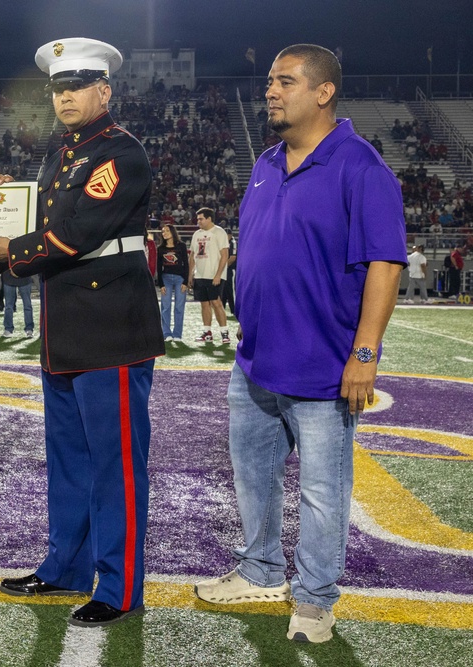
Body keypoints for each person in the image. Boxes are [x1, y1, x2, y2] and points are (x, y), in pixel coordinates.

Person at [193, 45, 406, 644]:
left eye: (284, 81)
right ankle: (261, 569)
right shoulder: (264, 161)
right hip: (256, 360)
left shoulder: (362, 167)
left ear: (323, 91)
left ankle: (314, 600)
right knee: (254, 476)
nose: (270, 91)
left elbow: (385, 265)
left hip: (325, 367)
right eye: (269, 81)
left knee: (322, 491)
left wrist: (365, 355)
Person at [0, 38, 164, 627]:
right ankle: (66, 567)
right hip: (67, 327)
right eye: (58, 87)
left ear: (105, 90)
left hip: (111, 328)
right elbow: (38, 227)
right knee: (69, 459)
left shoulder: (121, 154)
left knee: (115, 464)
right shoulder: (60, 158)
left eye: (77, 86)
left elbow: (75, 236)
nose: (66, 96)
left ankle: (121, 589)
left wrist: (12, 244)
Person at [188, 207, 230, 343]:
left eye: (200, 219)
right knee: (204, 304)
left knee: (216, 302)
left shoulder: (219, 232)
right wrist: (190, 275)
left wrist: (218, 274)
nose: (198, 221)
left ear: (209, 219)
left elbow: (224, 255)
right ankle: (207, 332)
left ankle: (224, 332)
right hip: (200, 275)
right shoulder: (196, 234)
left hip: (214, 275)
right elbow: (193, 255)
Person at [157, 222, 188, 342]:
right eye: (163, 232)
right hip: (166, 278)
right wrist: (161, 284)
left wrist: (185, 281)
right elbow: (159, 268)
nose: (164, 233)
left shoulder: (181, 246)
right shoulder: (161, 249)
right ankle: (166, 333)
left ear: (172, 232)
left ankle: (177, 334)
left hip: (180, 278)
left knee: (179, 307)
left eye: (167, 231)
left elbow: (186, 264)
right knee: (166, 306)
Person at [1, 270, 34, 338]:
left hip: (25, 276)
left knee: (27, 305)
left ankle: (29, 329)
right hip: (8, 276)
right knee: (8, 306)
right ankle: (8, 329)